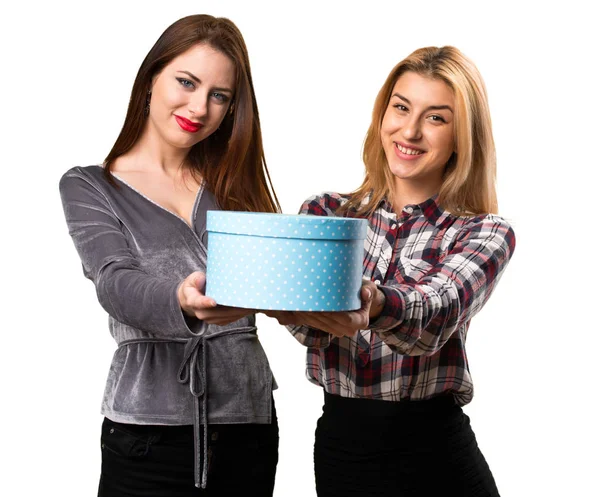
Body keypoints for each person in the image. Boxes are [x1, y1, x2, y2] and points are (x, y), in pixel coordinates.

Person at [269, 46, 516, 497]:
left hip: (437, 458)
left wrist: (375, 303)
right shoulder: (326, 215)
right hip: (342, 452)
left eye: (437, 118)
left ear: (462, 136)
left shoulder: (483, 232)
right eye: (401, 108)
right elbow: (308, 329)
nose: (411, 130)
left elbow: (437, 311)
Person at [59, 15, 280, 497]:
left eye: (219, 95)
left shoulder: (235, 185)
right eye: (186, 82)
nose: (199, 107)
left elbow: (279, 289)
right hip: (148, 438)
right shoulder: (90, 186)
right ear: (151, 79)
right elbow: (115, 283)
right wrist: (181, 299)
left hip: (249, 427)